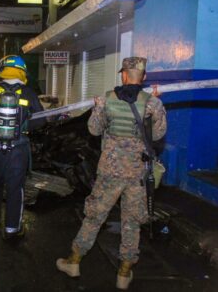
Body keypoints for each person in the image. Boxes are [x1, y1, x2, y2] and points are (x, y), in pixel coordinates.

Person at [56, 57, 167, 289]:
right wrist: (156, 106)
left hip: (110, 173)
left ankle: (74, 262)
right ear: (143, 77)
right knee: (132, 222)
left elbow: (93, 130)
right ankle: (124, 274)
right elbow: (157, 137)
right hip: (137, 173)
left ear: (123, 75)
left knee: (95, 216)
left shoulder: (107, 99)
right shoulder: (152, 103)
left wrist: (97, 108)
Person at [0, 55, 45, 239]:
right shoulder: (28, 93)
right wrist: (23, 128)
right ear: (22, 71)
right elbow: (40, 121)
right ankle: (12, 228)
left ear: (3, 70)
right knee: (16, 188)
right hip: (18, 150)